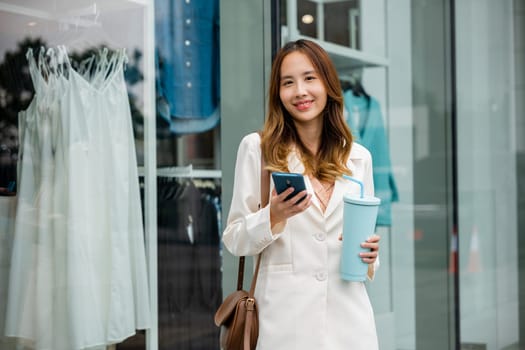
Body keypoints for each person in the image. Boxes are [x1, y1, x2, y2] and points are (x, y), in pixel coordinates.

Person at [222, 39, 381, 350]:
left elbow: (363, 239)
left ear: (328, 84)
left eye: (310, 78)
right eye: (288, 83)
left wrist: (371, 255)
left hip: (351, 322)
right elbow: (235, 238)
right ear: (278, 94)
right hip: (286, 324)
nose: (300, 92)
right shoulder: (258, 149)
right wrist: (274, 216)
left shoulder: (359, 158)